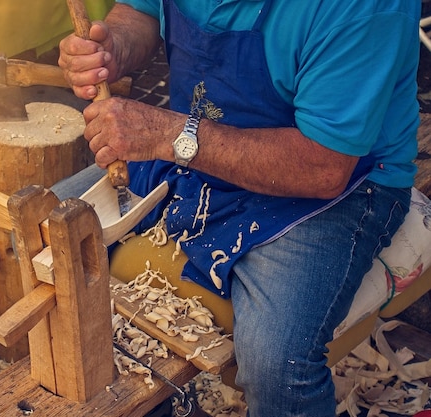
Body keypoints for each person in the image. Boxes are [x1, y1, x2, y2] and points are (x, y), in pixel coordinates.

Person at [57, 1, 421, 416]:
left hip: (334, 181)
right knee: (45, 235)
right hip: (191, 143)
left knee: (276, 365)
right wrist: (113, 49)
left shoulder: (362, 7)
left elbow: (323, 167)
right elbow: (139, 10)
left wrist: (167, 134)